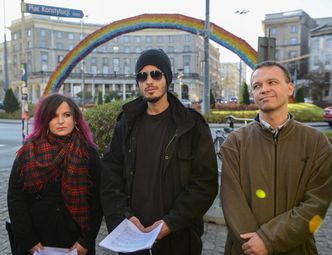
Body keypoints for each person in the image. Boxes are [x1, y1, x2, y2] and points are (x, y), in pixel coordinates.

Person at [101, 48, 218, 255]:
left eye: (156, 74)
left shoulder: (192, 125)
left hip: (177, 239)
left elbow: (204, 184)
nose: (149, 81)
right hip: (132, 237)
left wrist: (170, 223)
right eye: (142, 76)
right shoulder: (126, 123)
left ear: (167, 78)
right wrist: (124, 218)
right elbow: (110, 175)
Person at [220, 61, 332, 255]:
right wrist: (253, 245)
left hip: (298, 249)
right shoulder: (234, 143)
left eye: (272, 82)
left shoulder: (316, 143)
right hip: (245, 249)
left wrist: (269, 240)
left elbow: (317, 204)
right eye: (257, 86)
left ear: (290, 88)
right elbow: (232, 203)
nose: (264, 89)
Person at [7, 94, 103, 255]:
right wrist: (29, 240)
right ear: (45, 120)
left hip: (76, 243)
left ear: (75, 119)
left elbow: (97, 200)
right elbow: (16, 198)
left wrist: (85, 241)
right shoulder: (28, 152)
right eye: (54, 116)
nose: (61, 121)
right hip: (37, 243)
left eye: (66, 115)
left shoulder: (88, 152)